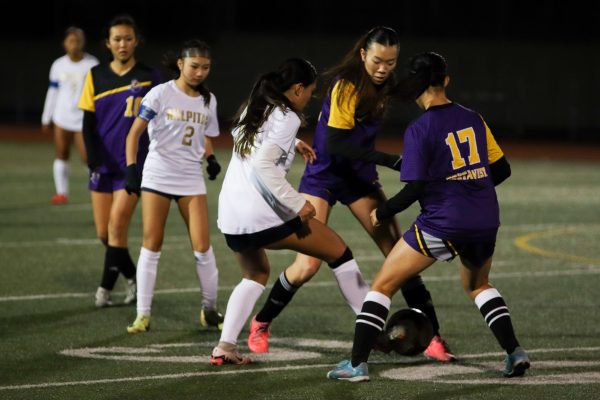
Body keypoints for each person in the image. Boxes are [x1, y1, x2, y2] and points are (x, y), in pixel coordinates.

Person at [248, 26, 454, 362]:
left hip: (359, 179)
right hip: (324, 176)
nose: (383, 68)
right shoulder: (347, 85)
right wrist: (392, 160)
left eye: (390, 62)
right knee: (308, 265)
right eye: (377, 60)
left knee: (402, 256)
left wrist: (431, 73)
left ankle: (433, 336)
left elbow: (414, 92)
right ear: (362, 54)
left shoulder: (385, 84)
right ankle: (261, 322)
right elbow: (337, 145)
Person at [327, 52, 530, 382]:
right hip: (485, 218)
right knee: (478, 285)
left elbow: (415, 189)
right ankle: (515, 352)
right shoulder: (473, 117)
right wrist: (468, 185)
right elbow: (502, 169)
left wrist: (383, 211)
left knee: (383, 285)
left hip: (443, 222)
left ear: (415, 83)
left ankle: (356, 364)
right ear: (446, 80)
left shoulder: (420, 128)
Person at [210, 58, 366, 365]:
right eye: (310, 90)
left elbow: (254, 143)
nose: (311, 96)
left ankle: (225, 347)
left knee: (255, 274)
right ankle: (373, 330)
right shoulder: (288, 116)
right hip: (260, 212)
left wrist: (291, 143)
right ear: (296, 89)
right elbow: (263, 165)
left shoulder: (254, 106)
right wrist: (298, 203)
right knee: (339, 252)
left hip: (230, 214)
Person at [124, 39, 223, 333]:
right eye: (194, 66)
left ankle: (210, 310)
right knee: (152, 245)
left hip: (191, 178)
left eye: (205, 67)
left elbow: (204, 133)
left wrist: (211, 157)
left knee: (203, 248)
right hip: (157, 176)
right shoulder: (159, 94)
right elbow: (133, 135)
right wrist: (131, 169)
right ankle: (143, 314)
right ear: (180, 64)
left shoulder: (208, 100)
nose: (200, 72)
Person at [78, 14, 162, 308]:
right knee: (105, 233)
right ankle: (135, 280)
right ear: (107, 43)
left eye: (128, 38)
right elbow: (87, 123)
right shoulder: (95, 75)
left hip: (132, 166)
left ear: (136, 41)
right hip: (102, 166)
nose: (122, 44)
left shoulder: (152, 77)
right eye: (117, 39)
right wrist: (92, 159)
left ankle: (104, 290)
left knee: (116, 227)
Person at [42, 26, 98, 205]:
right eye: (70, 41)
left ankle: (97, 189)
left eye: (77, 41)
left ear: (83, 42)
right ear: (65, 44)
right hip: (62, 117)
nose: (74, 45)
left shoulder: (92, 64)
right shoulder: (58, 65)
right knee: (61, 154)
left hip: (83, 118)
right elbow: (52, 92)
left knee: (87, 157)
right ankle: (61, 193)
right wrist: (46, 117)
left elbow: (97, 94)